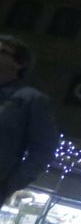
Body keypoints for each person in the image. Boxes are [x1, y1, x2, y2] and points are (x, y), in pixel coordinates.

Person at [0, 36, 58, 207]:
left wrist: (7, 185)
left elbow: (43, 150)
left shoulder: (31, 100)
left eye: (2, 51)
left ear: (19, 64)